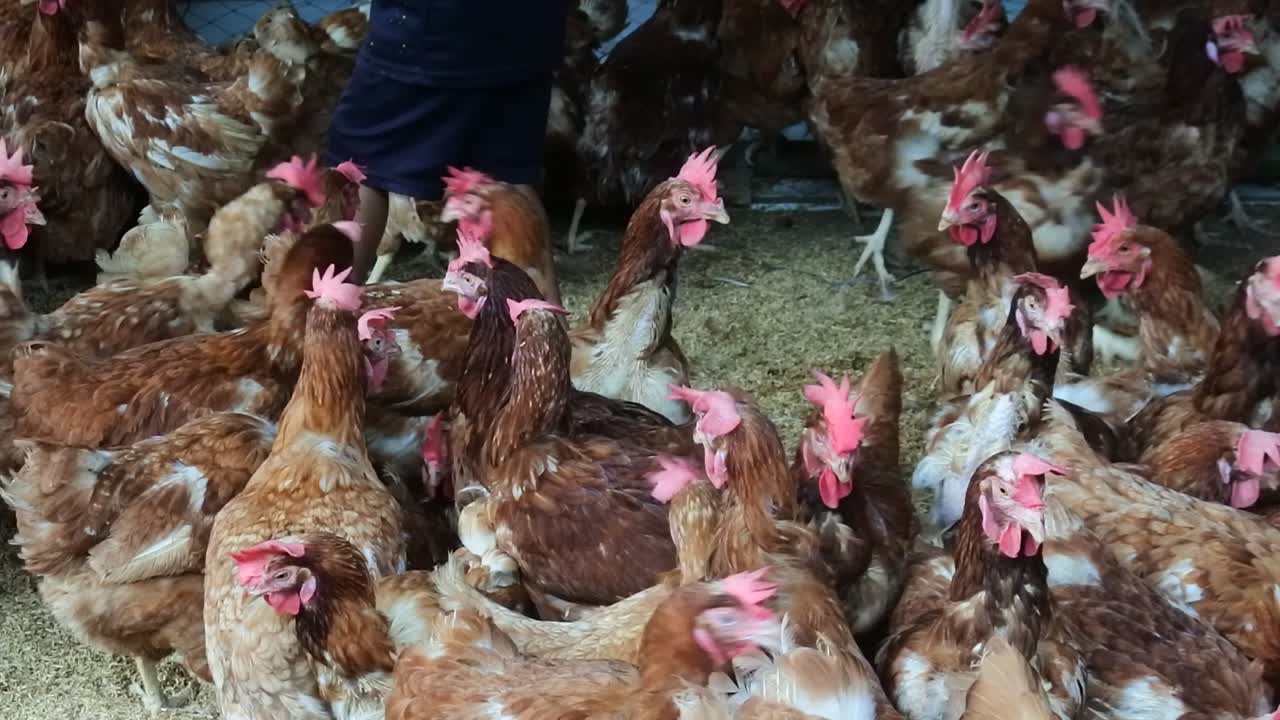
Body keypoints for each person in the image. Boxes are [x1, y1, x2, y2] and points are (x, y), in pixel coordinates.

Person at [327, 0, 569, 282]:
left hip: (435, 29)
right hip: (526, 27)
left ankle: (327, 313)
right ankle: (541, 322)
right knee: (505, 177)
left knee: (357, 165)